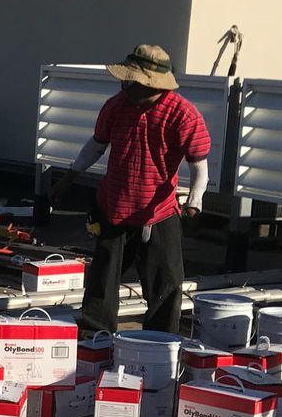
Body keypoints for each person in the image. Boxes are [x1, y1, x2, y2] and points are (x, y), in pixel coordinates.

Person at [52, 43, 210, 334]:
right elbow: (96, 146)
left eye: (130, 80)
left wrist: (195, 200)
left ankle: (160, 345)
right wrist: (70, 175)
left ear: (149, 84)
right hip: (113, 208)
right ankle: (95, 341)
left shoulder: (183, 115)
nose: (123, 84)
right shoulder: (115, 106)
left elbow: (199, 165)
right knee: (102, 282)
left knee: (166, 285)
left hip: (158, 213)